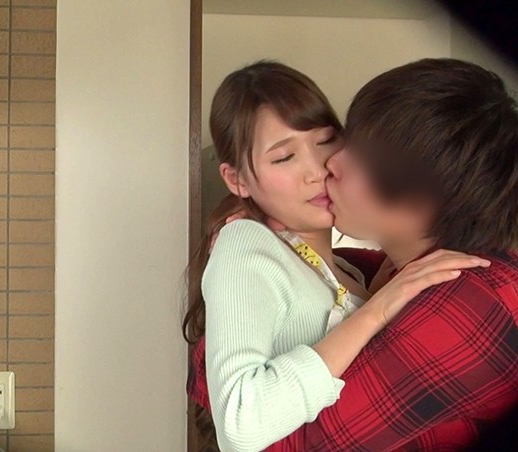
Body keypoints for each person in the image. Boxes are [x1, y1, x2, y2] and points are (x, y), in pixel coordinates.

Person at [181, 61, 488, 452]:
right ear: (237, 180)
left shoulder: (349, 271)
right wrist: (376, 311)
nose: (317, 170)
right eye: (283, 157)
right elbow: (240, 426)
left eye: (327, 140)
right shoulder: (245, 242)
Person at [258, 58, 518, 450]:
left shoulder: (471, 305)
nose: (333, 161)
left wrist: (233, 281)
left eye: (369, 162)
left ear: (425, 205)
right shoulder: (416, 268)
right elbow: (344, 274)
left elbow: (279, 440)